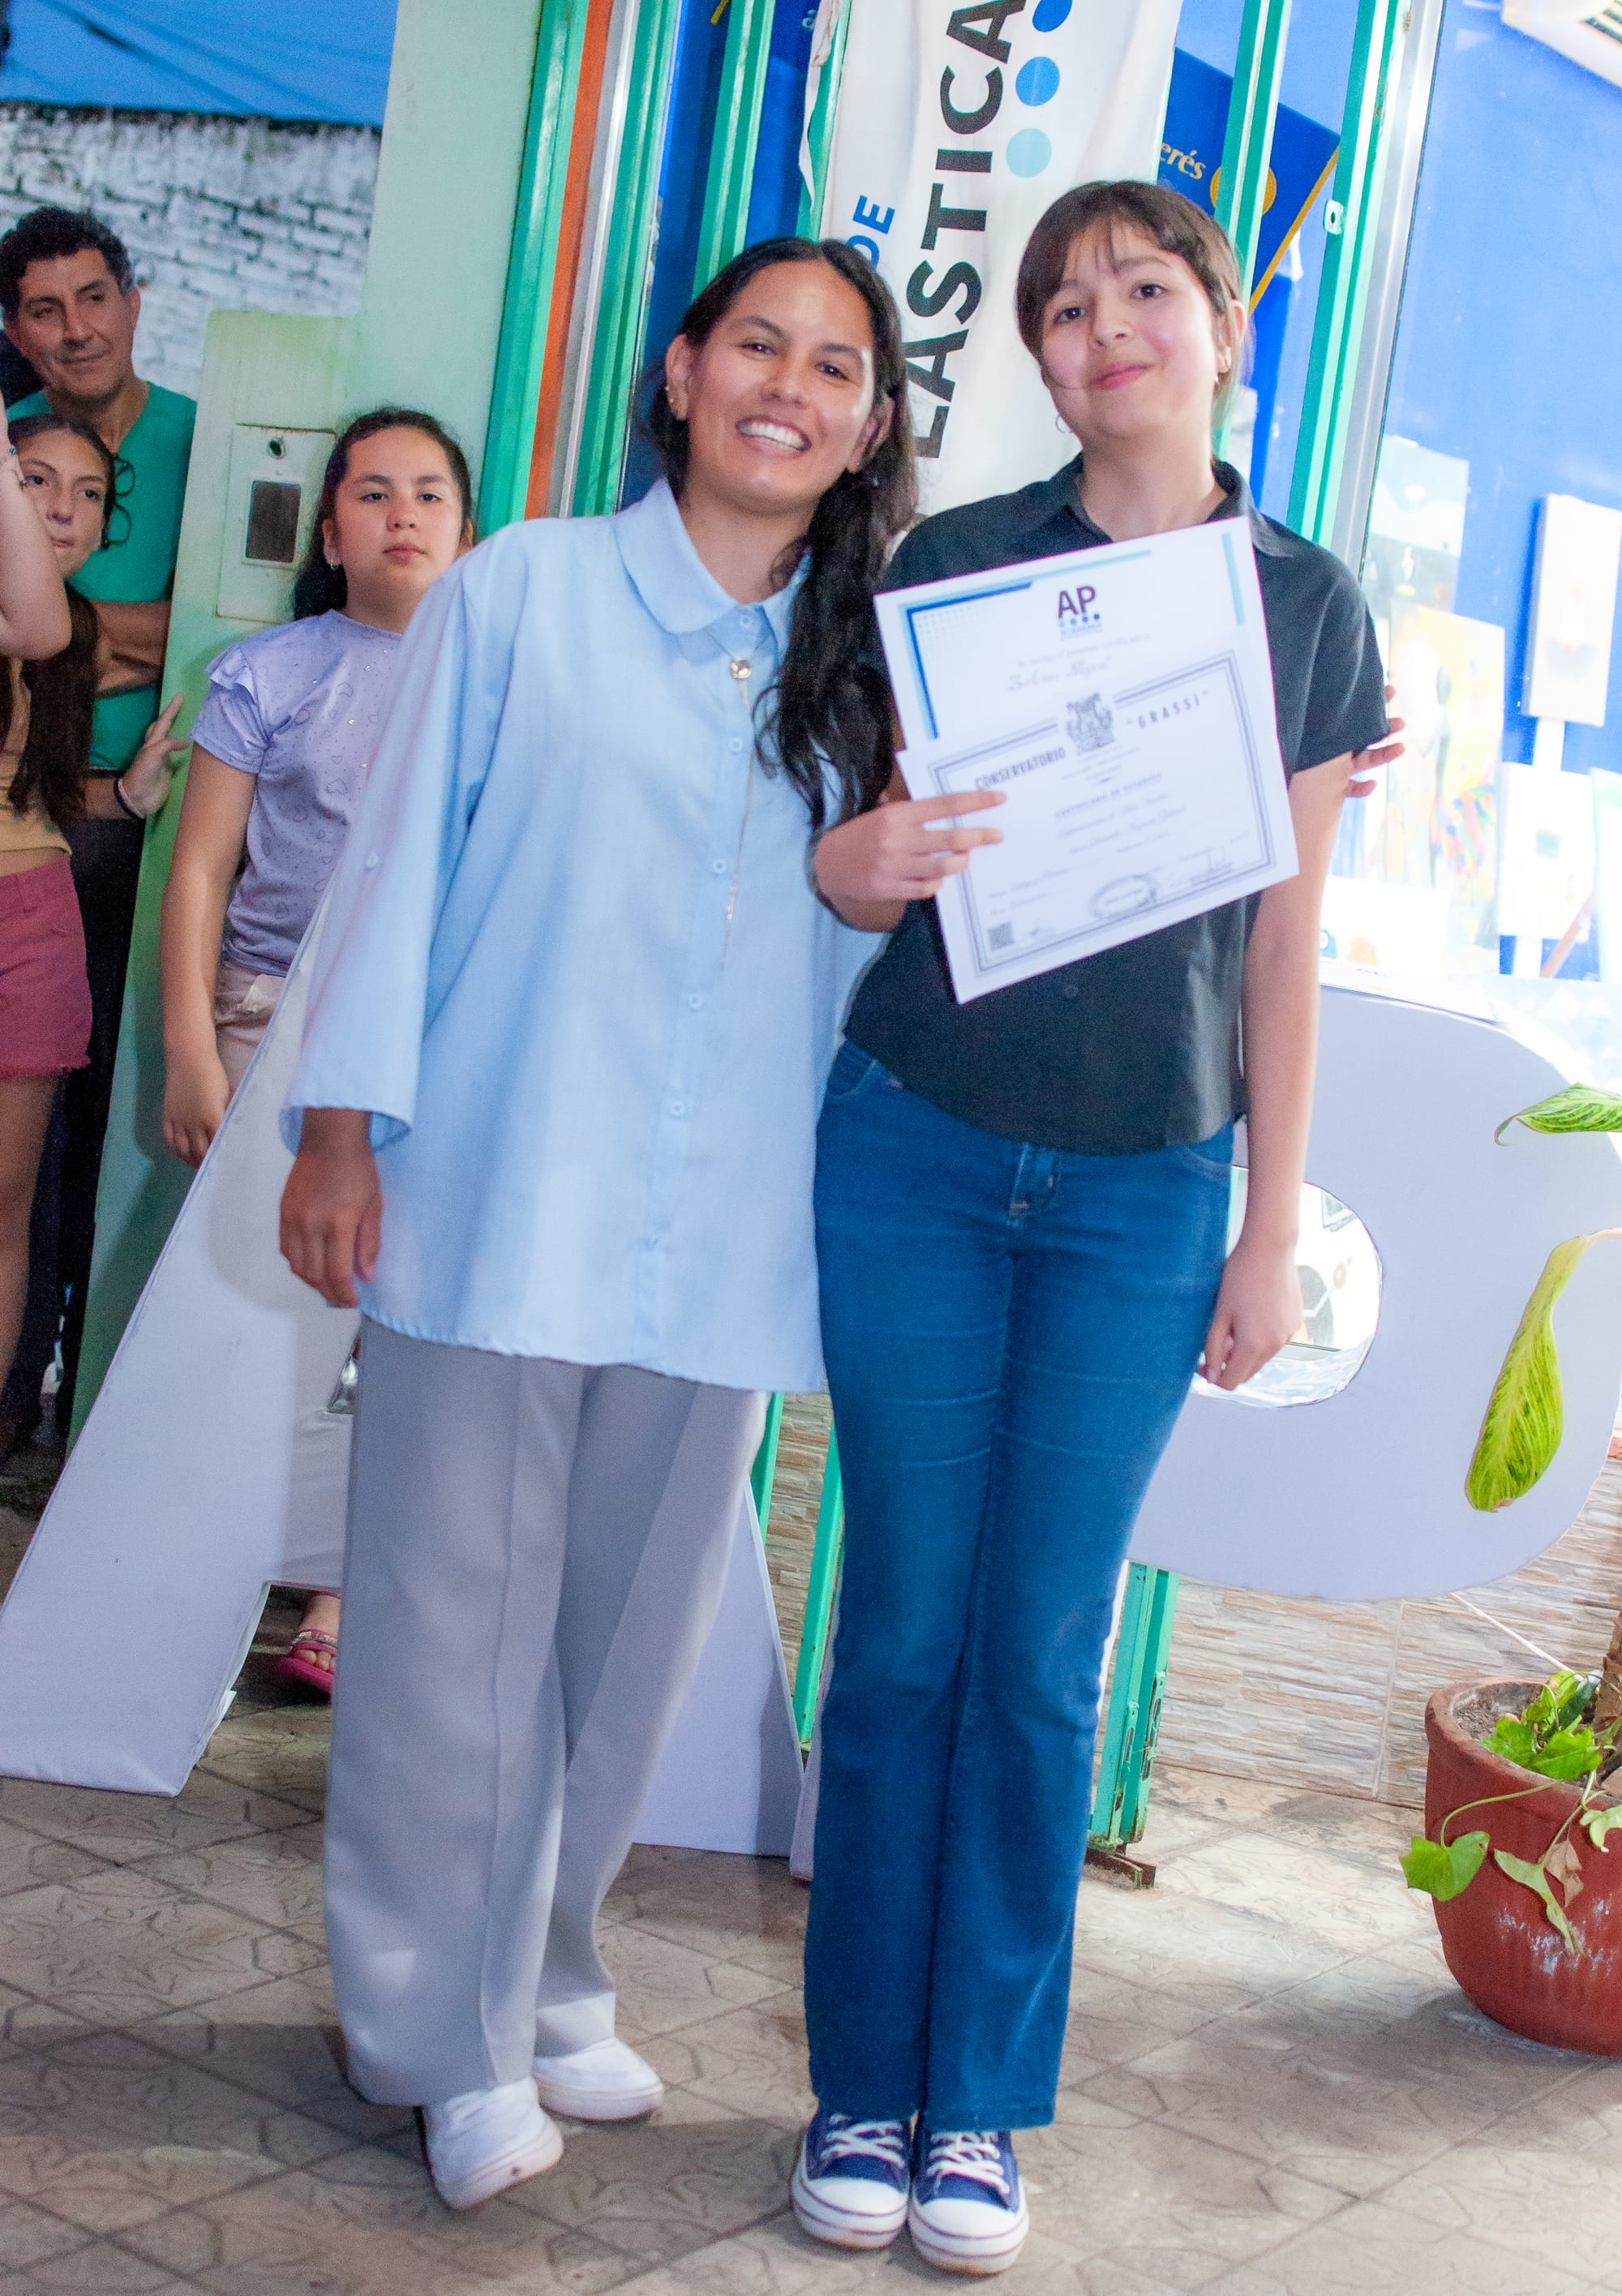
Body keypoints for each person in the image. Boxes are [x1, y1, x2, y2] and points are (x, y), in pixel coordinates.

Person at [272, 236, 910, 2211]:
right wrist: (340, 1132)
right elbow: (394, 869)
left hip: (726, 1229)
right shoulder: (521, 592)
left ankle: (545, 1972)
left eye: (834, 366)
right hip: (494, 1188)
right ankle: (442, 2040)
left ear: (870, 426)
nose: (788, 386)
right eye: (756, 346)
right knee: (447, 1649)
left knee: (626, 1645)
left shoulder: (877, 665)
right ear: (682, 371)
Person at [790, 182, 1391, 2277]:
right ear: (1036, 358)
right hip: (920, 1146)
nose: (1105, 324)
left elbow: (1285, 943)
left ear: (1223, 323)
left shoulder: (1307, 605)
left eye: (1144, 287)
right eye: (1063, 303)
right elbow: (872, 848)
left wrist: (1267, 1223)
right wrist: (859, 864)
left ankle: (975, 2104)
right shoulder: (953, 564)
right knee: (901, 1633)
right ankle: (858, 2085)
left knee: (1041, 1659)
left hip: (1145, 1190)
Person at [160, 408, 475, 1693]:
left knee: (376, 1325)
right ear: (331, 532)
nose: (404, 513)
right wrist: (192, 1050)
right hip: (262, 1021)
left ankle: (338, 1591)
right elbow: (199, 871)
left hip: (424, 1047)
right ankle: (205, 1577)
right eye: (374, 491)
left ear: (467, 532)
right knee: (246, 1312)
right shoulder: (268, 673)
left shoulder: (498, 680)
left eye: (431, 493)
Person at [0, 207, 198, 1453]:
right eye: (43, 308)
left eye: (92, 297)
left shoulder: (200, 436)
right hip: (39, 816)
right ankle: (17, 1399)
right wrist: (114, 635)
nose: (74, 328)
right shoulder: (16, 440)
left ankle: (75, 1409)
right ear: (15, 331)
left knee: (97, 1129)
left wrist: (80, 632)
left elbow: (207, 625)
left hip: (128, 819)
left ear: (132, 301)